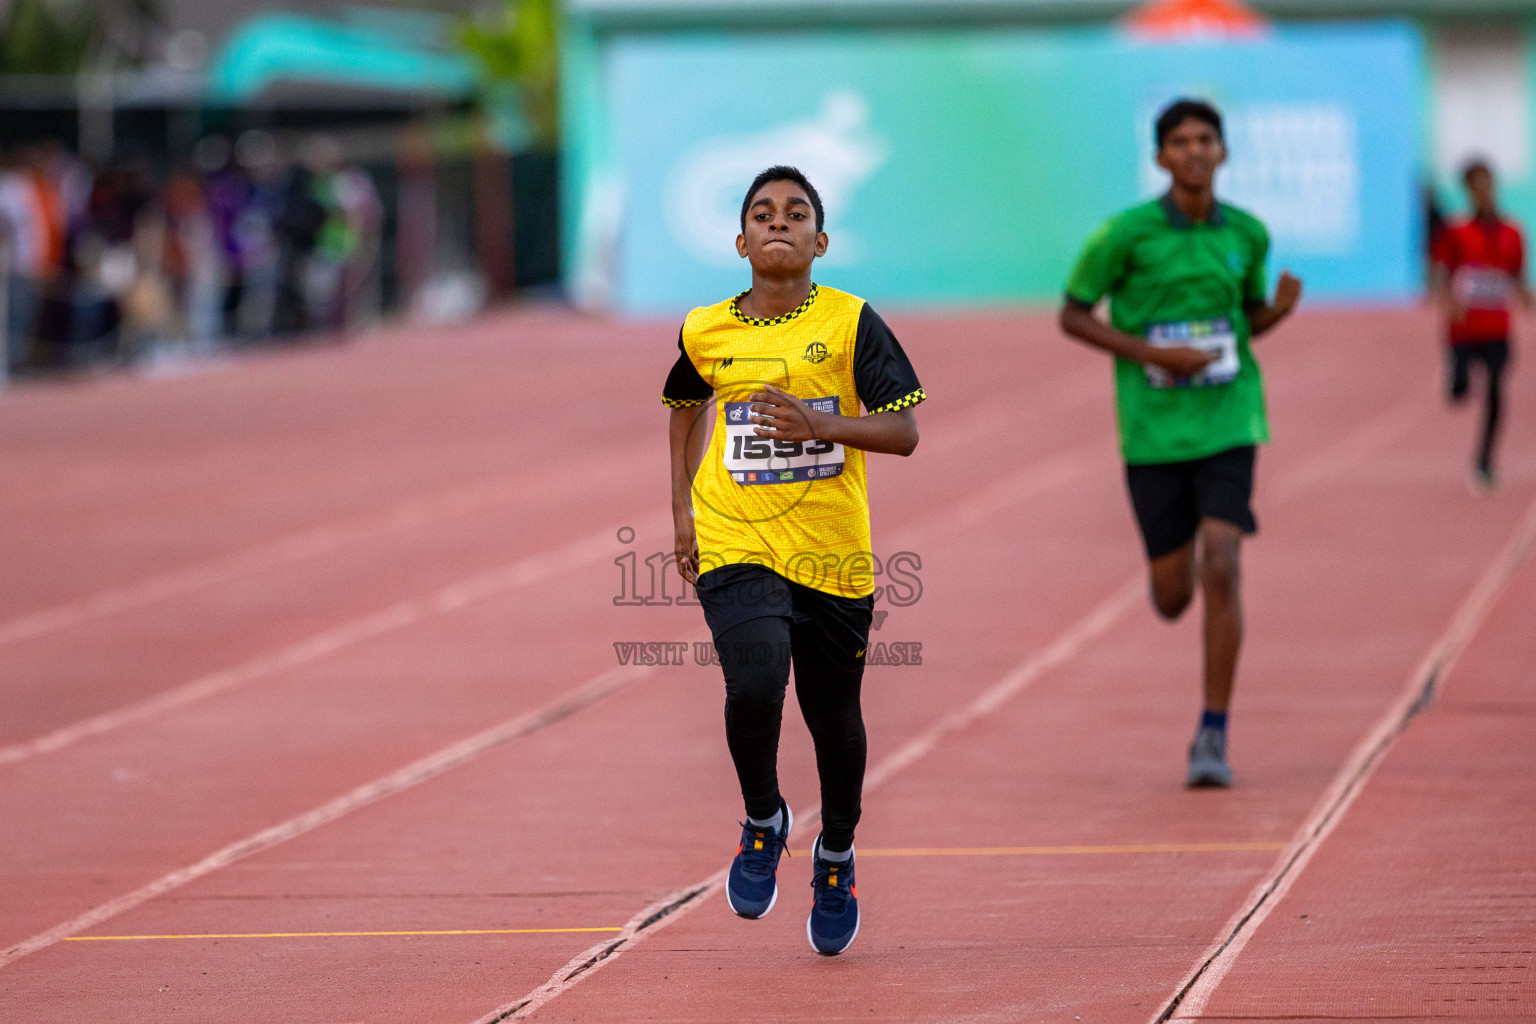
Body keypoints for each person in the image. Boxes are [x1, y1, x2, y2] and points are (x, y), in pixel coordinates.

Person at [662, 166, 924, 955]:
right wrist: (680, 507)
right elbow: (683, 404)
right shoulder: (706, 329)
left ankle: (836, 851)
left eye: (797, 212)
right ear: (741, 240)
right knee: (755, 677)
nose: (781, 221)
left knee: (832, 716)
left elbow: (904, 431)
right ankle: (762, 815)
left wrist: (821, 425)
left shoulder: (851, 324)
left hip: (833, 553)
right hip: (735, 538)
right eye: (764, 213)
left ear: (820, 240)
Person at [1058, 99, 1302, 788]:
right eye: (1180, 142)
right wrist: (1147, 353)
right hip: (1154, 436)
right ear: (1161, 156)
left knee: (1222, 561)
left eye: (1206, 140)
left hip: (1230, 422)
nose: (1195, 151)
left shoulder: (1248, 234)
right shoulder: (1126, 235)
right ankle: (1172, 570)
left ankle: (1213, 735)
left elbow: (1243, 319)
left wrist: (1274, 314)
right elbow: (1072, 315)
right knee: (1173, 596)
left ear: (1223, 152)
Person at [1431, 159, 1528, 492]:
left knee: (1496, 392)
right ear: (1468, 190)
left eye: (1487, 184)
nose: (1483, 191)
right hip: (1462, 330)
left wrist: (1525, 297)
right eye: (1475, 185)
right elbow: (1440, 274)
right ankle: (1455, 375)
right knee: (1459, 390)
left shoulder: (1513, 233)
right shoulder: (1456, 231)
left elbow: (1516, 276)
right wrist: (1449, 300)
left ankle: (1485, 460)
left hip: (1497, 330)